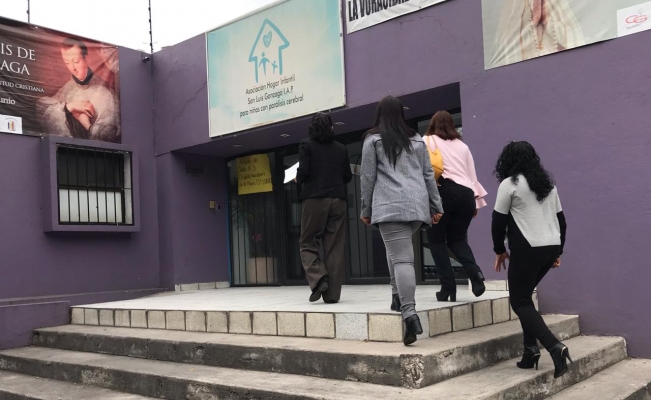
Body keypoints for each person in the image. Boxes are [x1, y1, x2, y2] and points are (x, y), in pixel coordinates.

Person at [360, 96, 443, 346]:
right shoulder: (416, 139)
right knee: (397, 252)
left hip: (389, 207)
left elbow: (367, 177)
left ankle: (409, 313)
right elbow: (428, 174)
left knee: (402, 258)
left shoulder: (372, 140)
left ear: (379, 114)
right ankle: (396, 295)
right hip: (417, 207)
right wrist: (436, 205)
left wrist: (366, 208)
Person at [492, 141, 570, 379]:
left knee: (519, 301)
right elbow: (562, 221)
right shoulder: (548, 185)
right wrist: (558, 252)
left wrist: (499, 250)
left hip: (527, 249)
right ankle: (530, 350)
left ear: (507, 161)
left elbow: (498, 221)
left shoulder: (509, 184)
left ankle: (554, 347)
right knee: (525, 297)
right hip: (550, 246)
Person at [424, 111, 488, 302]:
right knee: (458, 239)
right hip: (466, 195)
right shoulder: (463, 146)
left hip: (442, 191)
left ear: (432, 125)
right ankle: (475, 273)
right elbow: (472, 177)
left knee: (436, 240)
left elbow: (423, 172)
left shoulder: (426, 141)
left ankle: (448, 287)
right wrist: (476, 204)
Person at [297, 112, 353, 304]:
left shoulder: (306, 145)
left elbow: (304, 171)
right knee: (334, 246)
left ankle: (319, 278)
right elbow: (347, 176)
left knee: (308, 242)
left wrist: (298, 178)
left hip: (315, 199)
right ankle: (332, 296)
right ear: (331, 128)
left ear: (311, 128)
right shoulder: (341, 148)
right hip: (338, 199)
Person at [36, 38, 120, 143]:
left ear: (86, 59)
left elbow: (107, 139)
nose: (72, 68)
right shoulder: (67, 88)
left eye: (76, 61)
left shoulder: (105, 92)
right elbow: (44, 111)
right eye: (67, 63)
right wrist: (68, 107)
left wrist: (86, 124)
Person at [489, 0, 585, 68]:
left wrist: (546, 21)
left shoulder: (557, 3)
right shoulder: (512, 6)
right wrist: (532, 22)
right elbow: (506, 53)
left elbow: (577, 41)